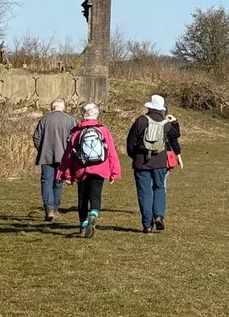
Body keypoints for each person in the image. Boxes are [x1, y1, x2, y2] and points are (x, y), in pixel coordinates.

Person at [57, 103, 122, 238]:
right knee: (96, 195)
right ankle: (94, 213)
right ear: (96, 114)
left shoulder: (77, 131)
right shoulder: (104, 131)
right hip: (100, 167)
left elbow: (69, 155)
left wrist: (67, 175)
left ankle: (83, 223)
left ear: (83, 114)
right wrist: (114, 172)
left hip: (81, 168)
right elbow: (111, 152)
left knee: (82, 197)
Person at [126, 94, 179, 234]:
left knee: (144, 192)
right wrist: (174, 122)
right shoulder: (165, 123)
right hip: (160, 162)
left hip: (141, 162)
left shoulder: (140, 121)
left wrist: (135, 156)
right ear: (162, 109)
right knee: (159, 187)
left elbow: (130, 143)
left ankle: (147, 224)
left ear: (149, 107)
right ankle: (159, 216)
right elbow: (175, 135)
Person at [32, 98, 76, 221]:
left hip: (46, 156)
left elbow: (36, 137)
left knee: (46, 182)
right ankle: (55, 208)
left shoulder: (44, 120)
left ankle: (49, 208)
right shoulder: (70, 120)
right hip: (63, 157)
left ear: (52, 107)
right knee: (58, 183)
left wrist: (41, 149)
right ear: (63, 107)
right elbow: (74, 139)